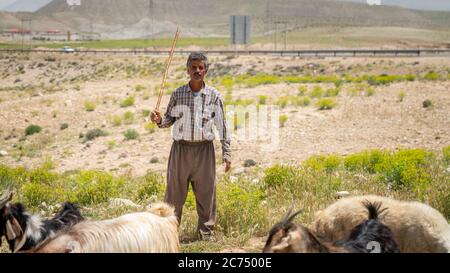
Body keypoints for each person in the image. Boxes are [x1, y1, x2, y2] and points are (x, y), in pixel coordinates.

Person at [151, 52, 231, 240]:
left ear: (206, 70)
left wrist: (227, 153)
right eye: (193, 67)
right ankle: (169, 234)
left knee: (206, 194)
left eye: (200, 67)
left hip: (205, 151)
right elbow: (168, 120)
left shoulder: (214, 96)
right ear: (187, 70)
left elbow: (222, 126)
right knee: (174, 194)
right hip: (180, 150)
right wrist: (158, 119)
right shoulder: (178, 93)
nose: (197, 71)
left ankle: (206, 234)